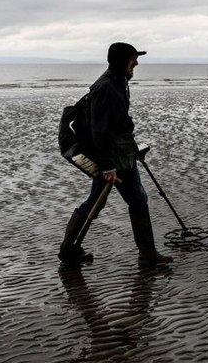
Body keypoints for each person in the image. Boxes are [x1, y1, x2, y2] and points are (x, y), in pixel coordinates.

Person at [58, 42, 173, 267]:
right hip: (110, 158)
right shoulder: (106, 88)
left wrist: (132, 148)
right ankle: (68, 250)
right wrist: (109, 167)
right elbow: (100, 130)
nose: (137, 63)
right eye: (133, 59)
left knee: (135, 199)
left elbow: (119, 123)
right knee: (97, 203)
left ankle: (147, 254)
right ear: (122, 61)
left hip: (122, 154)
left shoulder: (119, 82)